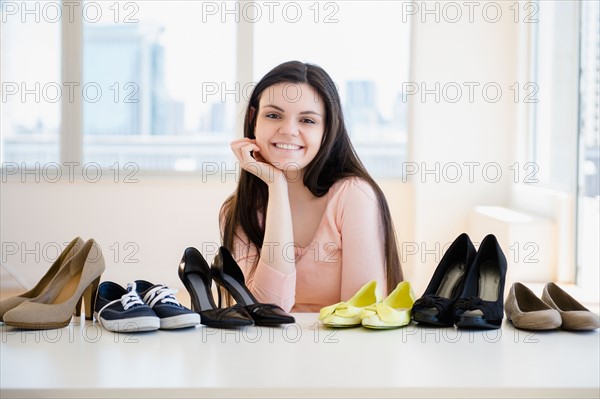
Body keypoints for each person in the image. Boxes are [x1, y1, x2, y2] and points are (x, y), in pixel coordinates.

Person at [219, 61, 403, 312]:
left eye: (307, 120)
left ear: (328, 130)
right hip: (265, 349)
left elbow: (360, 313)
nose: (289, 130)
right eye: (273, 115)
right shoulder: (239, 210)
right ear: (253, 119)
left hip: (343, 348)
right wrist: (277, 186)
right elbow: (267, 310)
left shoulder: (353, 196)